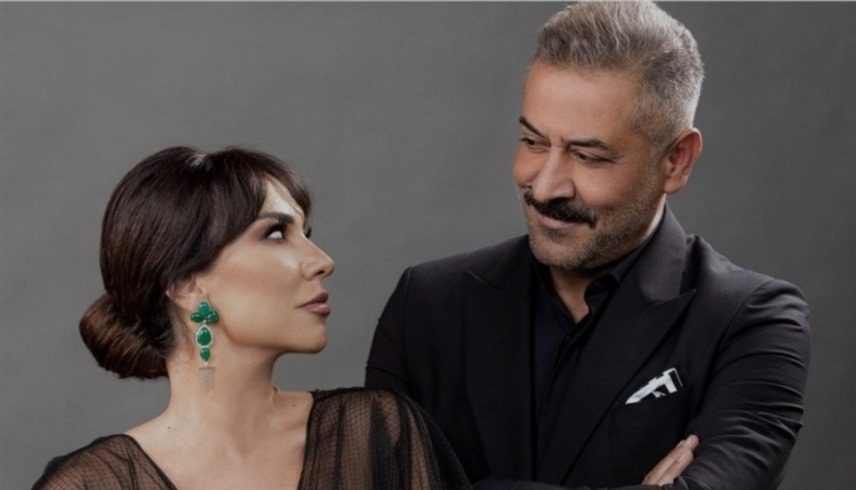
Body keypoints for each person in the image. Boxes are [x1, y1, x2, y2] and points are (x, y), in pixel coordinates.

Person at [365, 2, 810, 489]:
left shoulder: (751, 322)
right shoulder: (425, 305)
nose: (545, 187)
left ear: (677, 161)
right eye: (533, 142)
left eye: (587, 156)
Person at [34, 146, 469, 489]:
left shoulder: (377, 432)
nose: (323, 261)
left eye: (306, 233)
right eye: (276, 234)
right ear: (187, 284)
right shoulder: (92, 483)